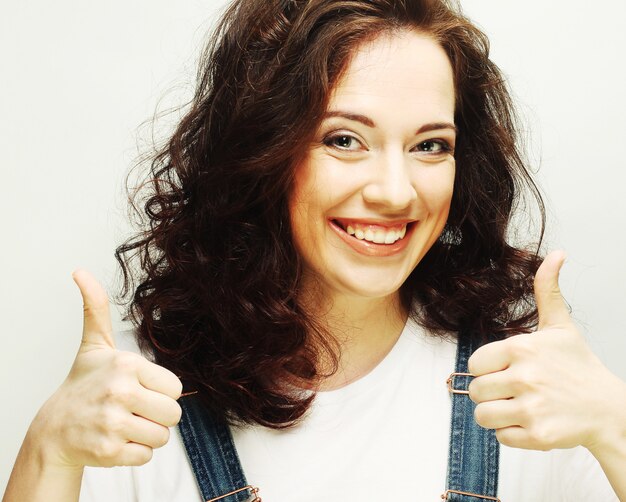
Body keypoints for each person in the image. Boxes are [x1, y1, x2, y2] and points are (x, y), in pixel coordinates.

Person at [4, 0, 626, 500]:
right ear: (264, 150)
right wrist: (47, 447)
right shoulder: (140, 401)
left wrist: (615, 425)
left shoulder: (529, 389)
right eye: (344, 139)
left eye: (430, 145)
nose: (394, 191)